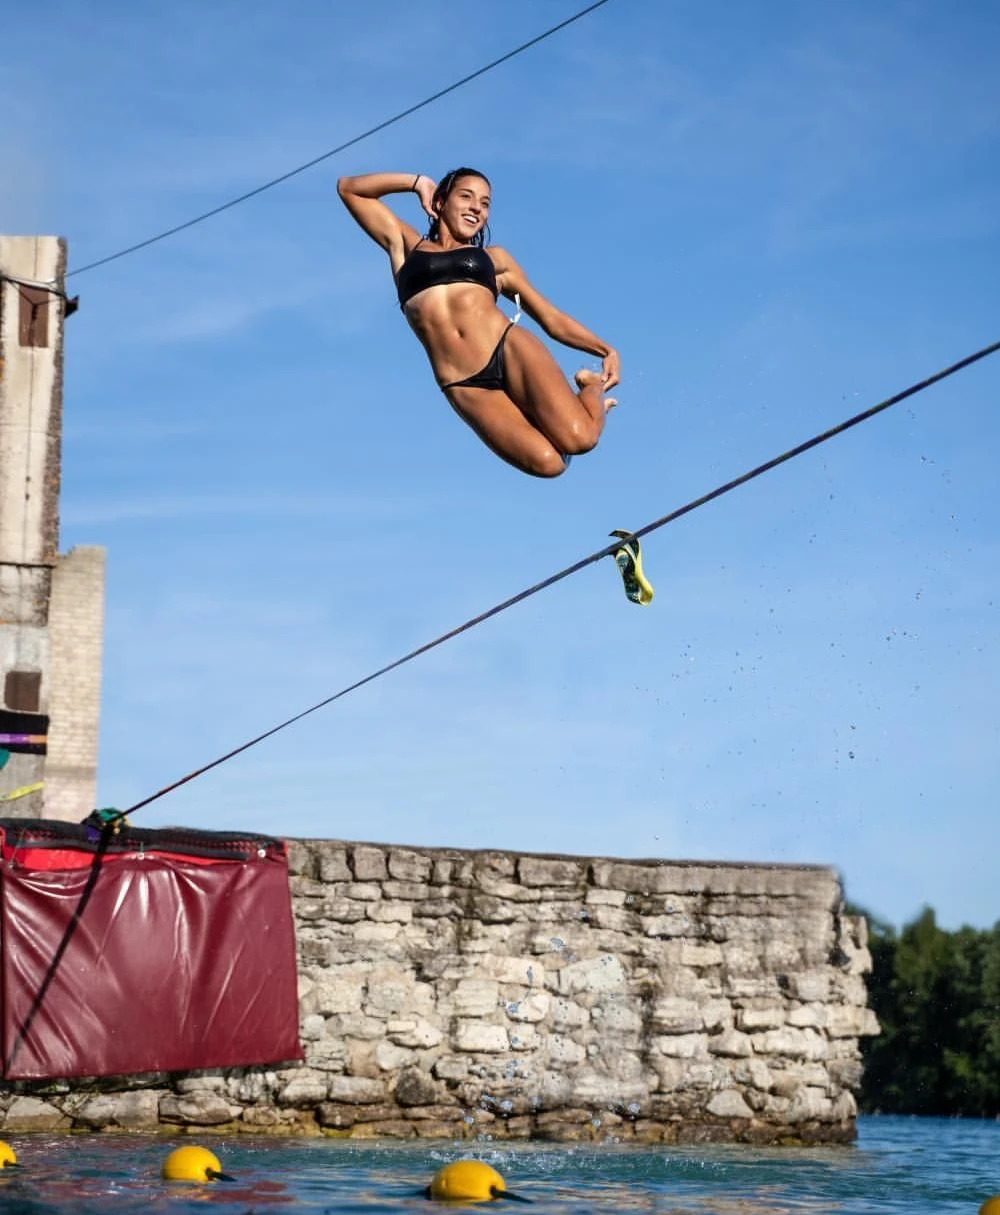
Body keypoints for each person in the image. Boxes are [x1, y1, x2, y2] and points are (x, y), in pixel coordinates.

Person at [337, 168, 620, 478]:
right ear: (441, 202)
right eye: (467, 197)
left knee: (581, 440)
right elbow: (350, 189)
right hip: (464, 384)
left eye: (485, 203)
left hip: (508, 349)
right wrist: (418, 183)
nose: (477, 208)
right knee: (549, 464)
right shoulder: (404, 245)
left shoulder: (494, 260)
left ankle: (591, 389)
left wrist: (603, 348)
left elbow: (550, 318)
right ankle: (564, 412)